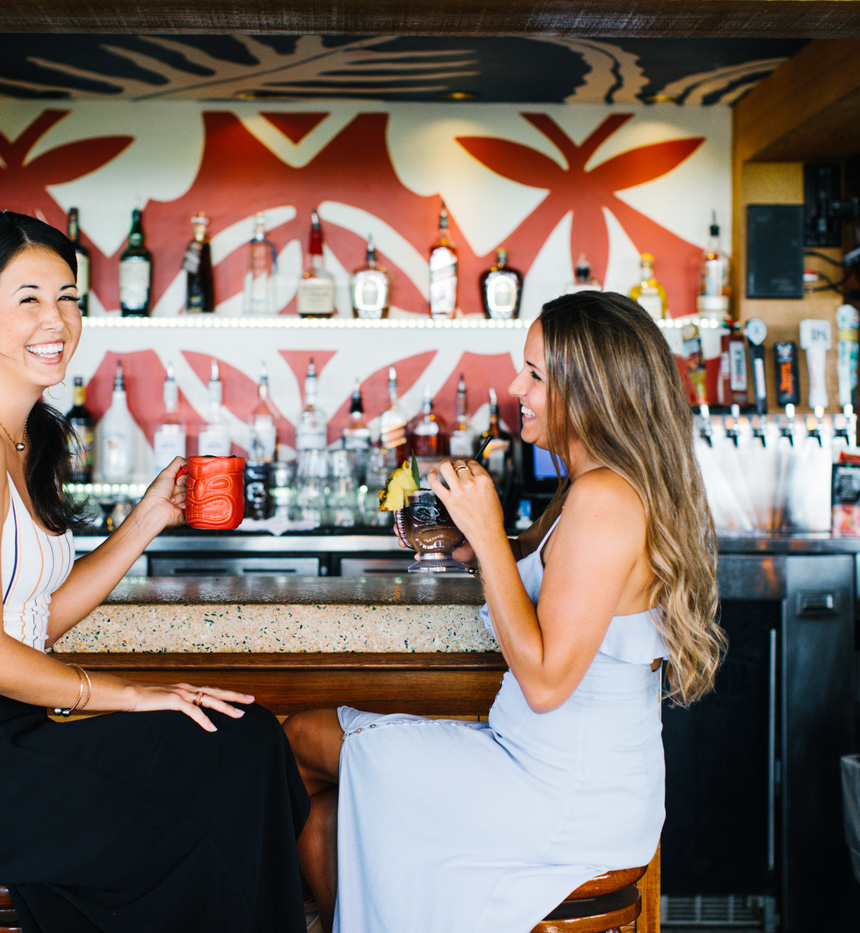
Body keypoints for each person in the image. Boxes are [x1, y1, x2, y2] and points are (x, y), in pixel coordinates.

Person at [0, 210, 309, 933]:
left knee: (246, 739)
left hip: (11, 740)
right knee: (204, 804)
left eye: (69, 297)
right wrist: (131, 697)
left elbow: (34, 620)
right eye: (29, 298)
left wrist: (145, 519)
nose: (58, 318)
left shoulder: (21, 437)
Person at [283, 292, 726, 933]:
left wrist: (490, 535)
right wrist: (474, 546)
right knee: (327, 817)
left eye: (536, 374)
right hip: (544, 771)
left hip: (561, 795)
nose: (516, 385)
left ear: (590, 390)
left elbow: (546, 683)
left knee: (298, 740)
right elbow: (540, 588)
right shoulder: (595, 486)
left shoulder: (605, 498)